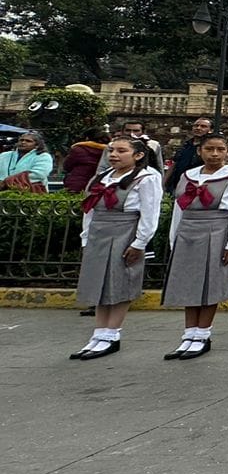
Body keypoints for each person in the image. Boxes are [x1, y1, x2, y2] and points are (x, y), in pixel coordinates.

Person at [69, 137, 162, 359]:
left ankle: (112, 333)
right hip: (99, 233)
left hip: (124, 231)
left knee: (120, 282)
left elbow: (150, 214)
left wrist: (139, 242)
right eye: (112, 150)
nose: (114, 155)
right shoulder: (100, 178)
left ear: (138, 155)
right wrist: (86, 238)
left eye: (121, 151)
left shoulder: (147, 178)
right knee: (99, 283)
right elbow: (89, 211)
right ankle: (98, 333)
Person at [160, 134, 228, 360]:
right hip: (188, 231)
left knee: (210, 284)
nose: (215, 154)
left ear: (227, 152)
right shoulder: (188, 176)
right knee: (189, 284)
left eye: (220, 149)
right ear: (200, 151)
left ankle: (202, 334)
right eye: (209, 149)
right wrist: (174, 238)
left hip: (215, 230)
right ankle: (188, 334)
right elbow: (179, 209)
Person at [164, 117, 212, 193]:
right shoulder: (186, 144)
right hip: (176, 184)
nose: (198, 128)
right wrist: (164, 182)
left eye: (203, 126)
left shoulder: (210, 147)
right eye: (196, 125)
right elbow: (174, 163)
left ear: (210, 130)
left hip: (196, 187)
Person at [61, 126, 108, 192]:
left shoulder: (78, 149)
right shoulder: (110, 151)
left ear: (87, 137)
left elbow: (67, 166)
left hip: (76, 184)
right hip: (100, 185)